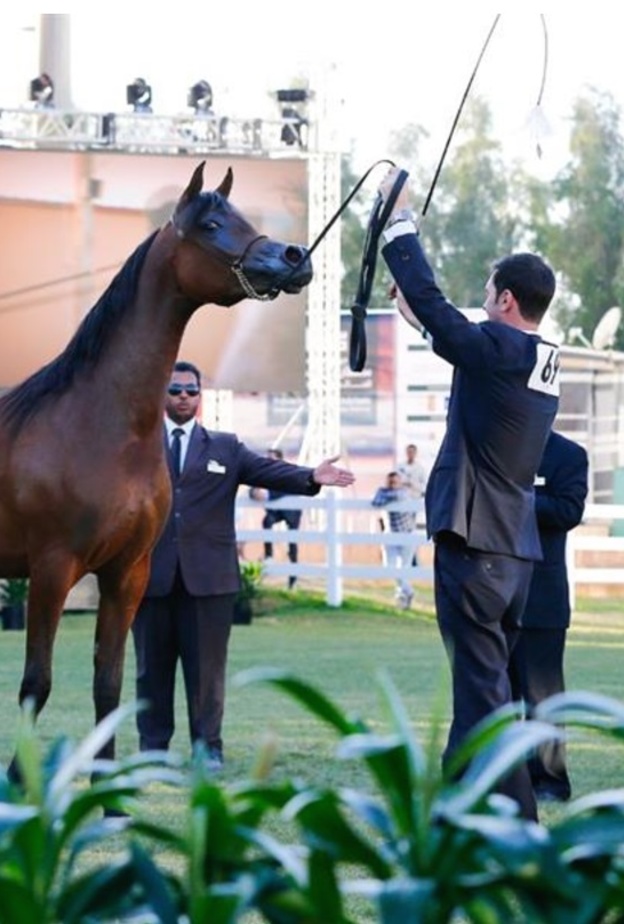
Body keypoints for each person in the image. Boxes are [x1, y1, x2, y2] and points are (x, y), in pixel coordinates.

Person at [379, 166, 561, 821]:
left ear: (507, 299)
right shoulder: (538, 362)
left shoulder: (498, 351)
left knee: (483, 693)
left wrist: (399, 224)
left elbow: (437, 307)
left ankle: (520, 828)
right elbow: (460, 344)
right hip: (513, 558)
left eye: (488, 289)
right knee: (481, 687)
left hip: (477, 548)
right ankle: (454, 809)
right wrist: (419, 317)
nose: (482, 298)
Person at [131, 360, 355, 770]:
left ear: (201, 398)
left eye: (190, 391)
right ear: (162, 395)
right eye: (176, 390)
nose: (183, 396)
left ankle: (208, 749)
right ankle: (153, 752)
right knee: (151, 671)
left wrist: (311, 476)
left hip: (210, 582)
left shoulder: (225, 447)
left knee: (207, 675)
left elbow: (268, 471)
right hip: (150, 578)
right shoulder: (138, 445)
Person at [508, 430, 589, 802]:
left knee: (543, 698)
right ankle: (503, 780)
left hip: (542, 599)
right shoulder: (497, 445)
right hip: (492, 596)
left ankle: (550, 782)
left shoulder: (568, 455)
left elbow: (568, 511)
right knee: (495, 696)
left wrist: (513, 500)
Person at [251, 448, 304, 590]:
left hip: (291, 511)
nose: (268, 461)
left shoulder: (286, 472)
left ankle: (293, 578)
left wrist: (268, 496)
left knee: (292, 543)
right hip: (275, 511)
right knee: (266, 521)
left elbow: (286, 489)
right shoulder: (263, 473)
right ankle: (269, 556)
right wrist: (254, 492)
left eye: (271, 458)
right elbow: (253, 485)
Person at [371, 471, 417, 609]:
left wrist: (386, 496)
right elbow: (376, 502)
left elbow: (398, 495)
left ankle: (402, 598)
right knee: (389, 568)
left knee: (404, 568)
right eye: (390, 482)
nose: (393, 484)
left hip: (407, 535)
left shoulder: (403, 492)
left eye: (395, 482)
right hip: (390, 534)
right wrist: (386, 496)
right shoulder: (383, 491)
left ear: (400, 482)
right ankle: (408, 592)